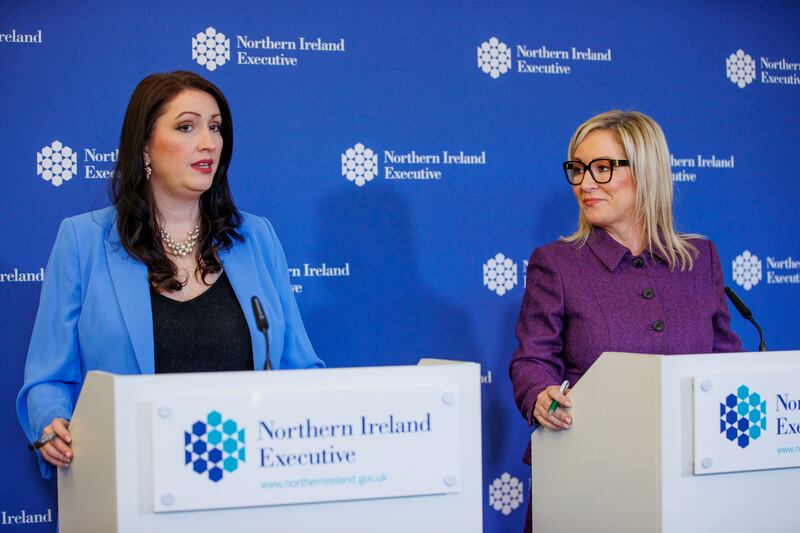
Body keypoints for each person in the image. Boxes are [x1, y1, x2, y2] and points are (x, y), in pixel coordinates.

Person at [17, 71, 324, 479]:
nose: (208, 142)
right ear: (144, 146)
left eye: (215, 127)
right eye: (186, 126)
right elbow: (48, 377)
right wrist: (51, 424)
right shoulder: (83, 240)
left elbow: (298, 366)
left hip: (250, 482)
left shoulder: (255, 238)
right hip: (129, 481)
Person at [509, 110, 741, 531]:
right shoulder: (557, 264)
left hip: (688, 476)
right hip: (586, 478)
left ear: (647, 171)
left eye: (602, 168)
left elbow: (726, 362)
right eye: (577, 170)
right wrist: (541, 395)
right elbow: (532, 360)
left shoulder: (699, 259)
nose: (585, 183)